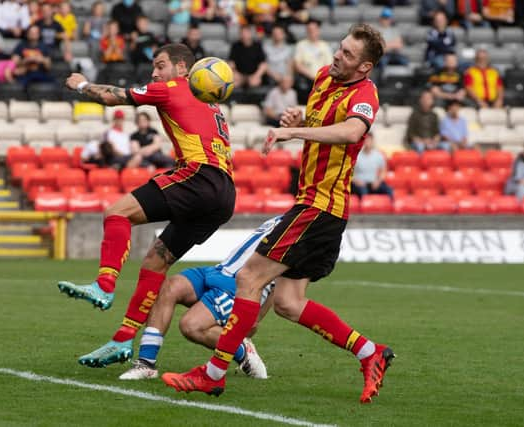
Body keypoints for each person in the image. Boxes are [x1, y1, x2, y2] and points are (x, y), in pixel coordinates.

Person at [162, 24, 395, 405]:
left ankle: (214, 373)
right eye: (339, 49)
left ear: (364, 68)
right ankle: (370, 353)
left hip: (321, 206)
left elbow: (353, 132)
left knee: (249, 277)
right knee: (288, 302)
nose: (337, 56)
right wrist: (298, 121)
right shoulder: (323, 77)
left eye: (348, 55)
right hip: (313, 206)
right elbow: (321, 124)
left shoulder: (365, 94)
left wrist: (295, 135)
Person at [58, 43, 235, 368]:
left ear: (183, 69)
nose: (154, 73)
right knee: (155, 263)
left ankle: (104, 285)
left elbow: (112, 96)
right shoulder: (211, 103)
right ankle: (122, 340)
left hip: (198, 176)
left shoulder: (173, 88)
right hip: (223, 193)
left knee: (116, 212)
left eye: (161, 64)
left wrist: (82, 85)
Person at [119, 216, 283, 380]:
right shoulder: (288, 216)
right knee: (168, 288)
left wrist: (256, 317)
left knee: (191, 326)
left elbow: (283, 274)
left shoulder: (302, 231)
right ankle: (146, 364)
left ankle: (242, 350)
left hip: (237, 287)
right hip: (219, 270)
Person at [293, 19, 333, 103]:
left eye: (313, 29)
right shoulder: (301, 45)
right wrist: (313, 77)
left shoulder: (325, 46)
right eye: (309, 30)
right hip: (306, 80)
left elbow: (329, 66)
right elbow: (298, 65)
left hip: (322, 80)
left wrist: (319, 78)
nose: (311, 32)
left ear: (318, 30)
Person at [351, 132, 393, 199]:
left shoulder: (379, 155)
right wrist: (356, 181)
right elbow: (349, 173)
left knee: (389, 190)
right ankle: (365, 207)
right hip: (359, 184)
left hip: (374, 183)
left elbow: (383, 171)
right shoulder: (356, 155)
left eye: (369, 140)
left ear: (372, 141)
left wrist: (378, 181)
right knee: (363, 191)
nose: (367, 142)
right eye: (366, 140)